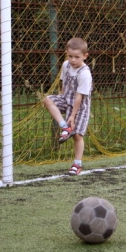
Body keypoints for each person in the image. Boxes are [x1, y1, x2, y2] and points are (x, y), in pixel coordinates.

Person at [44, 38, 93, 176]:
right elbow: (63, 83)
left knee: (77, 135)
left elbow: (79, 97)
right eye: (70, 56)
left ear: (85, 56)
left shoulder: (84, 73)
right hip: (66, 99)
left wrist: (72, 115)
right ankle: (65, 126)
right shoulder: (66, 65)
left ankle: (77, 164)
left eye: (76, 57)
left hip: (80, 106)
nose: (72, 60)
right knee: (48, 100)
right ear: (66, 53)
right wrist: (61, 97)